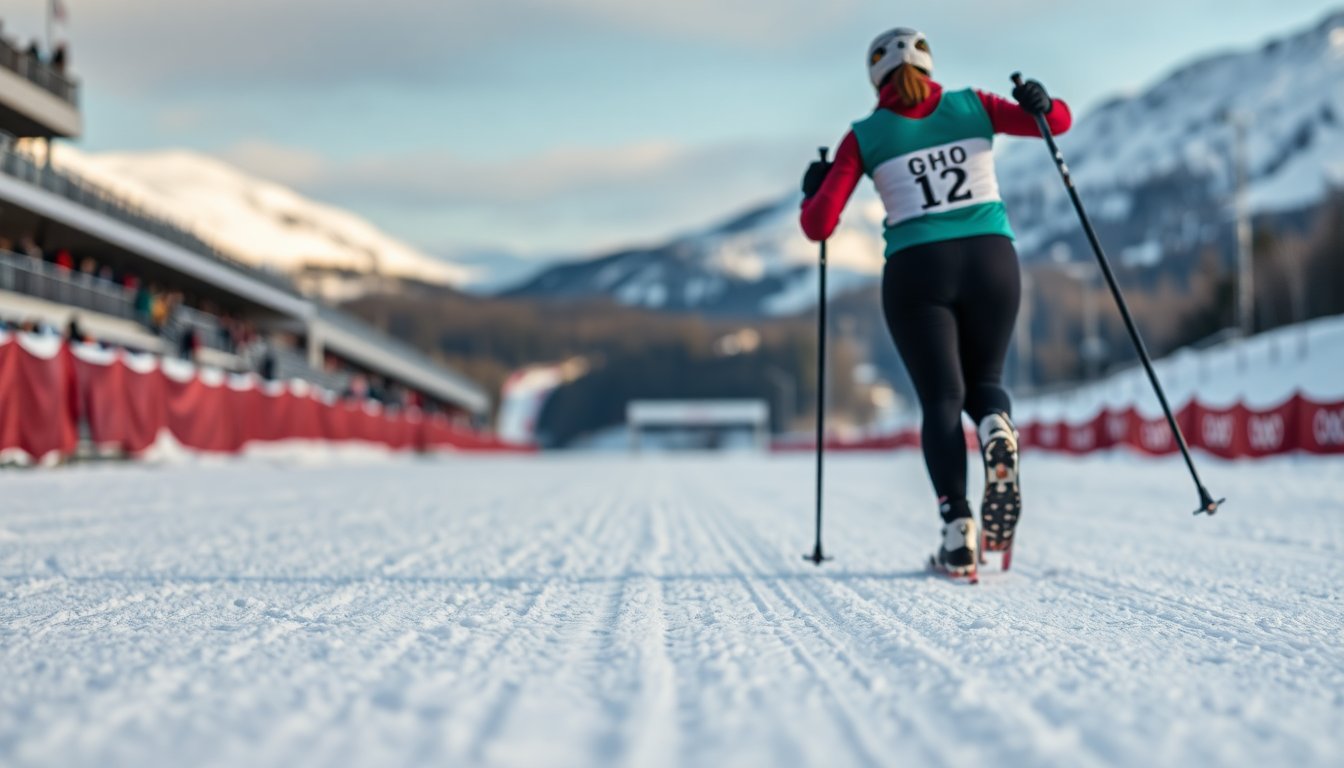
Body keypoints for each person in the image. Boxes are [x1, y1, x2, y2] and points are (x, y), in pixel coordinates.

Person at [799, 27, 1072, 579]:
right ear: (929, 65)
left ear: (875, 77)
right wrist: (1042, 100)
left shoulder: (865, 135)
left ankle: (957, 532)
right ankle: (995, 422)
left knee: (942, 398)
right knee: (985, 378)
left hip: (917, 271)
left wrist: (814, 188)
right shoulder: (974, 105)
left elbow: (819, 225)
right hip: (991, 260)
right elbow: (1054, 123)